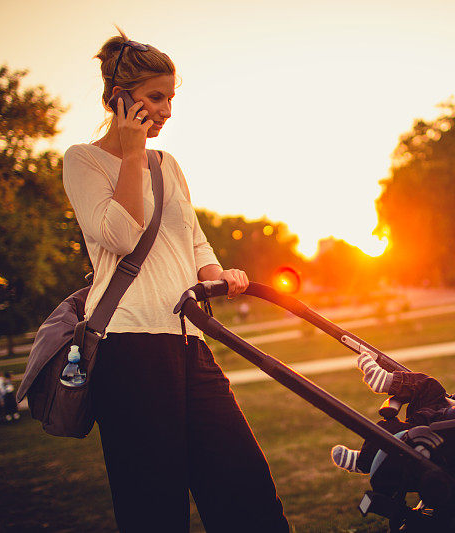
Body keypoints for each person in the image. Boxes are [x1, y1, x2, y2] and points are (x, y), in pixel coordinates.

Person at [61, 30, 289, 532]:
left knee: (243, 484)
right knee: (153, 501)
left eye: (170, 98)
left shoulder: (169, 166)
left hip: (188, 340)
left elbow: (195, 239)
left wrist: (217, 275)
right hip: (127, 348)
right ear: (118, 98)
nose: (166, 110)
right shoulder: (83, 160)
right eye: (155, 97)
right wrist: (128, 152)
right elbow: (121, 236)